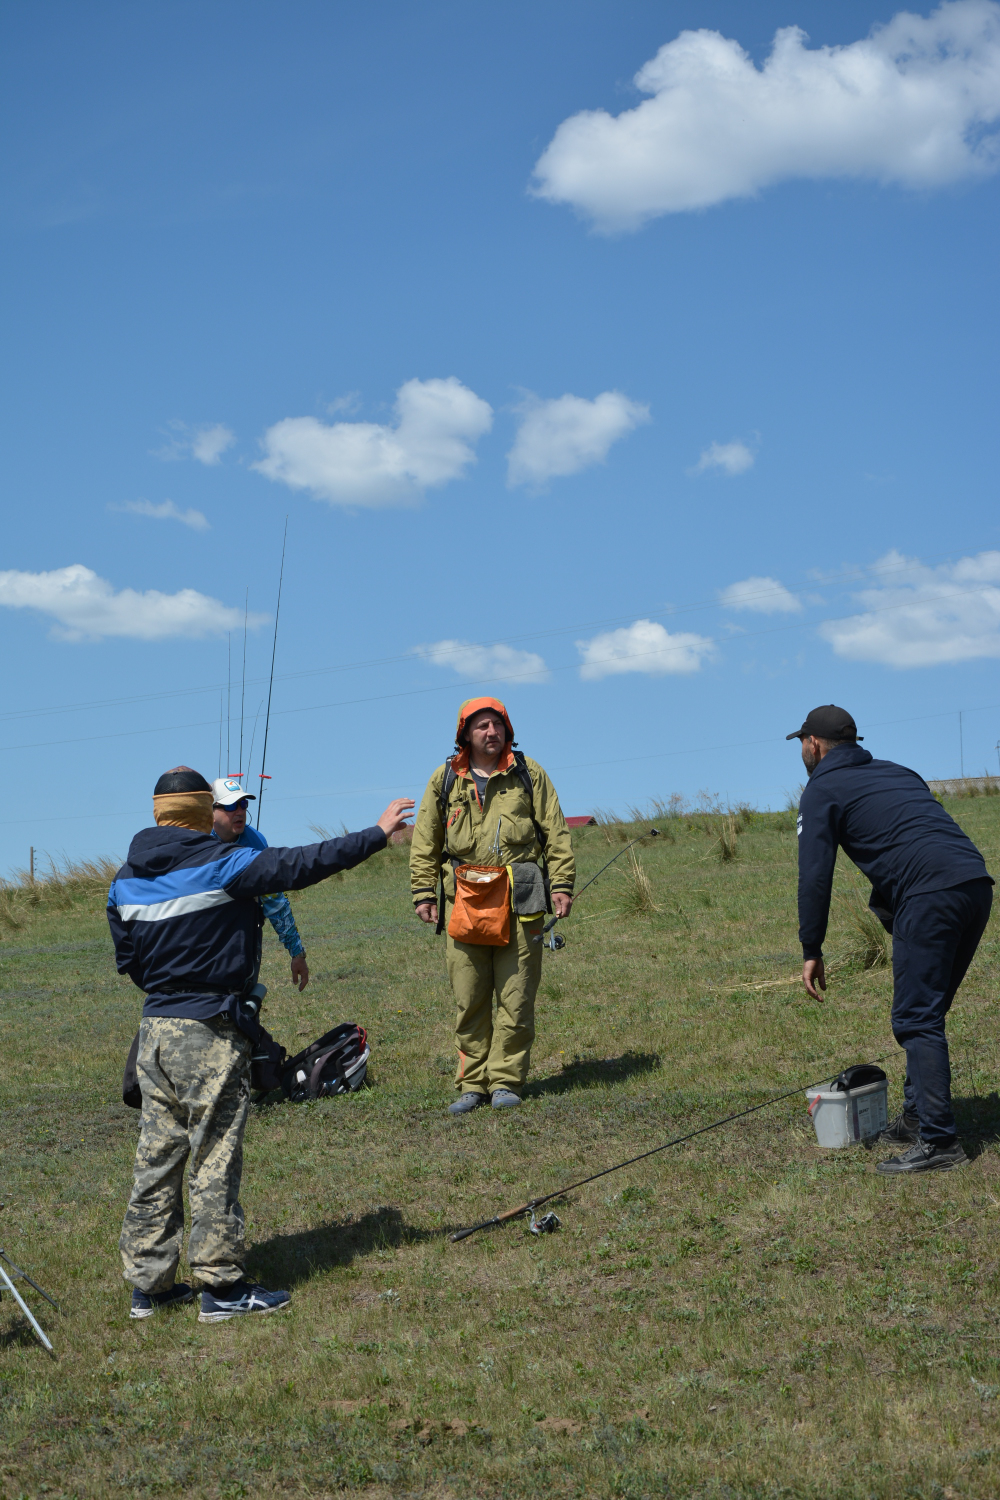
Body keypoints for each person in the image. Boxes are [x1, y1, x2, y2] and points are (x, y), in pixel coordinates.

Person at [107, 765, 413, 1322]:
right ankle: (222, 1289)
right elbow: (301, 864)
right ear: (202, 811)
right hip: (209, 1030)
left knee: (157, 1158)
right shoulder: (224, 862)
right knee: (214, 1156)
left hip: (153, 1032)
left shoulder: (123, 880)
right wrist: (375, 835)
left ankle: (148, 1288)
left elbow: (129, 961)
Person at [789, 704, 993, 1174]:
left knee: (916, 1017)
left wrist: (811, 948)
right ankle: (918, 1117)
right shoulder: (899, 771)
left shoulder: (821, 789)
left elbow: (814, 876)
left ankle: (940, 1142)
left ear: (813, 744)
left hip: (930, 893)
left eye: (801, 742)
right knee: (926, 1012)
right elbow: (910, 836)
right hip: (974, 884)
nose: (801, 750)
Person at [409, 698, 575, 1114]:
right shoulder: (445, 779)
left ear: (508, 730)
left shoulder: (529, 773)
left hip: (522, 901)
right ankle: (472, 1084)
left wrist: (561, 884)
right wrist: (424, 892)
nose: (491, 732)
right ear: (465, 733)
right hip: (464, 903)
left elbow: (556, 833)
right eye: (481, 725)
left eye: (497, 724)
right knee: (470, 998)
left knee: (516, 998)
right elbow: (425, 840)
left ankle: (505, 1082)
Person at [211, 777, 309, 992]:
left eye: (243, 804)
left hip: (244, 942)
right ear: (211, 811)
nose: (239, 811)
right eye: (230, 806)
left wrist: (297, 953)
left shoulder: (256, 843)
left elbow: (275, 901)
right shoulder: (196, 840)